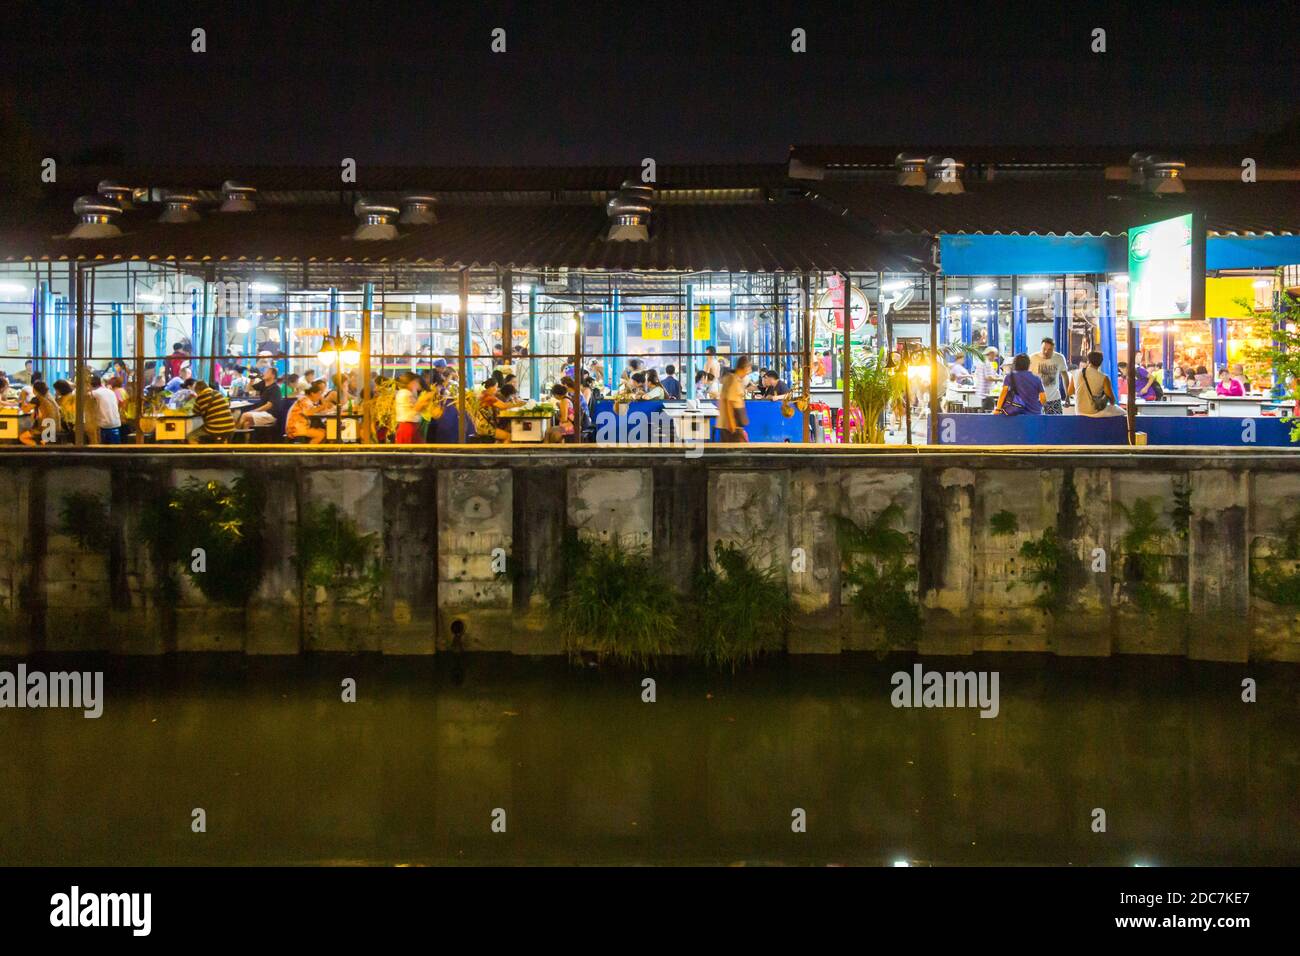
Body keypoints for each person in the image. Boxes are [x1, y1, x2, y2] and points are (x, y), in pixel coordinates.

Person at [1073, 351, 1124, 417]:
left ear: (1088, 361)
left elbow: (1070, 391)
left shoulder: (1076, 373)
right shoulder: (1104, 378)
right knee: (1123, 412)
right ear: (1101, 363)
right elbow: (1112, 400)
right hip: (1095, 412)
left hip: (1078, 411)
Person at [1031, 337, 1070, 414]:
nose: (1046, 352)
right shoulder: (1033, 358)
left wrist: (1067, 395)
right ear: (1040, 347)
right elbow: (1026, 378)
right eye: (1044, 349)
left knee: (1056, 424)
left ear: (1053, 349)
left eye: (1049, 350)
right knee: (1037, 425)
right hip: (1037, 399)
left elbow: (1065, 376)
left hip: (1054, 398)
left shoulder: (1059, 358)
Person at [717, 353, 751, 442]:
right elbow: (729, 402)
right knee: (739, 452)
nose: (748, 372)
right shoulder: (734, 381)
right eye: (748, 369)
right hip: (732, 426)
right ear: (744, 367)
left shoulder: (732, 378)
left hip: (729, 425)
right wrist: (731, 423)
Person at [394, 372, 435, 444]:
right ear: (411, 382)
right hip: (407, 428)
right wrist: (427, 397)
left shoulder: (405, 392)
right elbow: (417, 407)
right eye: (416, 382)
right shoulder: (405, 393)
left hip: (410, 427)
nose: (418, 384)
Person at [18, 381, 60, 446]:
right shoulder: (49, 396)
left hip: (46, 428)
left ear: (35, 389)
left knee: (22, 437)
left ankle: (38, 447)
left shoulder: (37, 399)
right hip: (56, 426)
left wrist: (23, 397)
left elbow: (25, 410)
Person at [89, 373, 122, 443]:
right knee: (116, 450)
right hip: (116, 423)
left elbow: (80, 395)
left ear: (91, 385)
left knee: (104, 450)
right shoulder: (111, 392)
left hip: (104, 426)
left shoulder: (95, 393)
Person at [974, 347, 1002, 411]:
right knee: (989, 412)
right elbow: (988, 377)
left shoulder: (980, 362)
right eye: (995, 355)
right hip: (987, 393)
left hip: (981, 391)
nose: (995, 358)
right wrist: (1000, 380)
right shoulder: (987, 363)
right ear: (991, 354)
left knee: (984, 411)